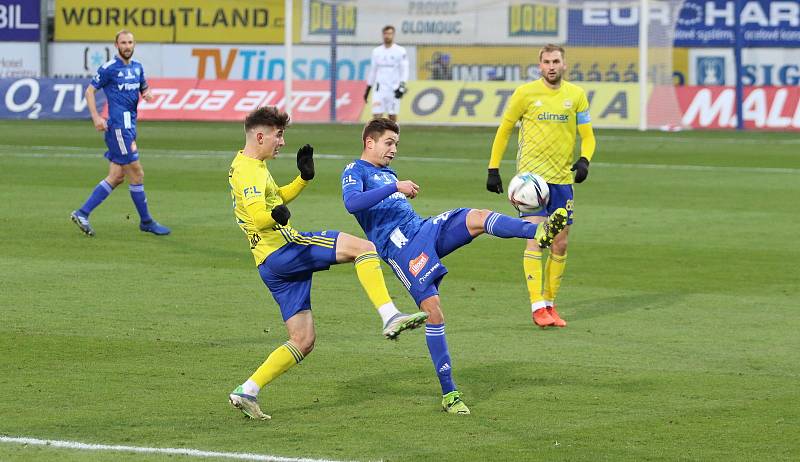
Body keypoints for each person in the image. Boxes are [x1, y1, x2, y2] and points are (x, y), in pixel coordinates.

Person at [341, 118, 568, 415]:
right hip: (401, 249)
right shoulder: (354, 170)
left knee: (476, 217)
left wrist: (395, 185)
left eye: (396, 144)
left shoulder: (386, 172)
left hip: (422, 229)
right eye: (389, 143)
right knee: (434, 312)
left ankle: (537, 232)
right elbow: (352, 203)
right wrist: (395, 186)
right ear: (369, 142)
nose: (394, 149)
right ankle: (449, 393)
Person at [227, 107, 427, 420]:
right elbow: (259, 216)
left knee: (303, 340)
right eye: (279, 135)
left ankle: (248, 389)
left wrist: (302, 179)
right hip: (284, 249)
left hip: (269, 264)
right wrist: (274, 217)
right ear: (261, 135)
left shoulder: (249, 164)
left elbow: (274, 198)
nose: (282, 142)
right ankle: (389, 315)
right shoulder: (249, 171)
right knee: (364, 248)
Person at [486, 44, 597, 328]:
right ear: (539, 65)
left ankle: (550, 304)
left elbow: (588, 136)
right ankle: (537, 307)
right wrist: (493, 168)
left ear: (564, 65)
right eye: (546, 61)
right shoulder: (525, 93)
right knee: (536, 237)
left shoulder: (576, 96)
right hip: (531, 182)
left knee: (560, 244)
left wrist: (584, 160)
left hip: (562, 180)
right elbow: (505, 129)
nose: (551, 66)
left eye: (556, 61)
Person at [70, 30, 170, 237]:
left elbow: (144, 89)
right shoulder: (109, 68)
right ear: (116, 45)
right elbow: (90, 91)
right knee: (137, 173)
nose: (127, 46)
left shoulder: (137, 67)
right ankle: (146, 221)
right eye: (123, 42)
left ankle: (82, 213)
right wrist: (96, 117)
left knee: (116, 176)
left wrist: (148, 94)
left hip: (130, 126)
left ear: (134, 44)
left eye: (130, 42)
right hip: (118, 128)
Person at [363, 25, 409, 122]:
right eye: (385, 34)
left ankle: (393, 137)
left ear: (393, 35)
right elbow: (373, 71)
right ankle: (378, 137)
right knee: (376, 117)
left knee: (392, 117)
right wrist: (368, 89)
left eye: (390, 34)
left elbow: (404, 70)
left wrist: (402, 86)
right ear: (382, 35)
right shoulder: (376, 51)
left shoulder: (400, 51)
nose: (387, 36)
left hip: (394, 89)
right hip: (379, 89)